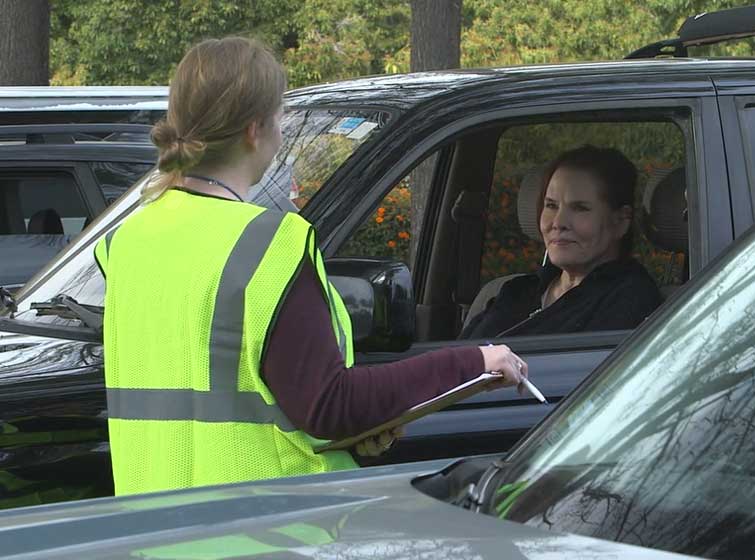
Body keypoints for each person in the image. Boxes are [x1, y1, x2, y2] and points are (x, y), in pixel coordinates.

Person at [94, 37, 528, 496]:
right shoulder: (268, 244)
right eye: (281, 117)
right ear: (255, 129)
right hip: (270, 528)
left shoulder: (128, 241)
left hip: (159, 528)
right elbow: (328, 405)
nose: (282, 133)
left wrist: (359, 434)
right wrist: (474, 363)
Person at [461, 145, 662, 340]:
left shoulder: (630, 300)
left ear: (620, 221)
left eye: (580, 208)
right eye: (551, 205)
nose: (558, 223)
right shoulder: (516, 291)